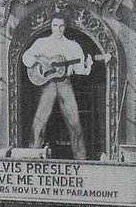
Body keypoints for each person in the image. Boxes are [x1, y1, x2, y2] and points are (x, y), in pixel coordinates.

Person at [21, 12, 94, 159]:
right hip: (47, 85)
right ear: (51, 26)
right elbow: (26, 58)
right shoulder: (42, 43)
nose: (58, 29)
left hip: (64, 84)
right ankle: (33, 156)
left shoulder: (73, 45)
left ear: (65, 26)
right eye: (55, 25)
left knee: (75, 123)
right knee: (39, 122)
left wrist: (88, 65)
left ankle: (81, 159)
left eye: (61, 26)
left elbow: (79, 68)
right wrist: (39, 60)